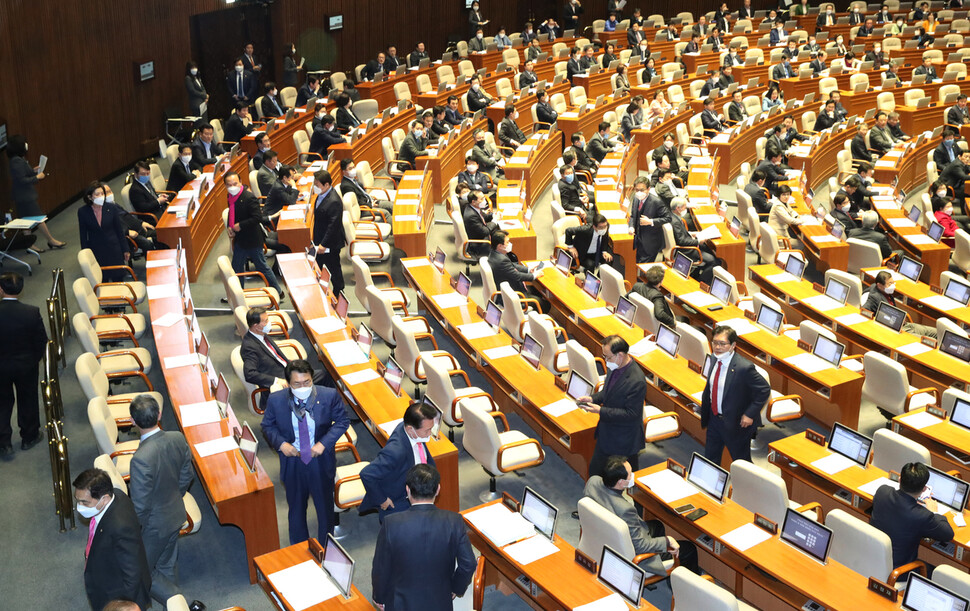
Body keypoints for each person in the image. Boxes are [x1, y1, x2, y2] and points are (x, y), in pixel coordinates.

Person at [261, 360, 349, 545]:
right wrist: (282, 444)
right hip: (293, 461)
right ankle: (299, 550)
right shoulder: (276, 400)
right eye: (297, 384)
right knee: (296, 509)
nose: (303, 387)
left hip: (320, 461)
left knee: (325, 509)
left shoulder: (328, 395)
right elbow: (267, 426)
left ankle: (326, 547)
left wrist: (323, 444)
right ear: (288, 384)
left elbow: (342, 421)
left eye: (307, 382)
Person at [372, 465, 476, 611]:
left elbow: (381, 568)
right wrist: (455, 588)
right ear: (438, 489)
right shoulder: (454, 521)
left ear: (407, 489)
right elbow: (469, 564)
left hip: (400, 603)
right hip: (440, 601)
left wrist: (379, 597)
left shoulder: (391, 523)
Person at [127, 395, 195, 605]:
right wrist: (174, 495)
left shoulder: (140, 459)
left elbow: (140, 505)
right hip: (175, 514)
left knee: (142, 571)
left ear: (132, 421)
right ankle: (175, 606)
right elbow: (186, 476)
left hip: (153, 527)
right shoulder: (177, 438)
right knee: (166, 564)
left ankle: (178, 601)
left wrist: (133, 531)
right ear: (159, 414)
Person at [584, 456, 700, 575]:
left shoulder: (593, 481)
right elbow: (640, 547)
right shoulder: (625, 510)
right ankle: (683, 583)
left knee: (657, 525)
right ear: (621, 482)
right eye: (630, 474)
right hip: (631, 553)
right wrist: (667, 541)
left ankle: (662, 566)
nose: (633, 475)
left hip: (602, 536)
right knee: (689, 549)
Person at [74, 468, 151, 611]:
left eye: (85, 502)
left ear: (104, 499)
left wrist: (116, 607)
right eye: (78, 501)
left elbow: (132, 575)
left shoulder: (119, 528)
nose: (79, 507)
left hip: (115, 595)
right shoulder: (118, 495)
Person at [577, 335, 647, 477]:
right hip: (607, 432)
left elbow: (631, 414)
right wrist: (592, 398)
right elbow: (607, 393)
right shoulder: (613, 366)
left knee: (624, 479)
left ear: (620, 355)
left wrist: (601, 410)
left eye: (607, 357)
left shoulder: (636, 380)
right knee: (595, 472)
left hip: (623, 439)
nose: (605, 361)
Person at [701, 325, 770, 463]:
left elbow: (764, 389)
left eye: (722, 344)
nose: (717, 347)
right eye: (715, 343)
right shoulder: (714, 359)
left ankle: (749, 485)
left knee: (741, 462)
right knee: (710, 457)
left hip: (735, 422)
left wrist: (750, 414)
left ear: (733, 345)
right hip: (714, 419)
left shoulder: (744, 368)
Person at [360, 401, 440, 522]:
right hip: (399, 500)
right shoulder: (395, 452)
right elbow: (366, 474)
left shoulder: (412, 431)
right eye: (427, 430)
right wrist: (382, 499)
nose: (430, 434)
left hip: (414, 486)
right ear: (410, 429)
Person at [243, 306, 332, 410]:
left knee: (322, 374)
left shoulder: (261, 334)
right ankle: (329, 410)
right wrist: (277, 381)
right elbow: (249, 374)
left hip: (288, 371)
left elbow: (275, 355)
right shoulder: (249, 346)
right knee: (321, 378)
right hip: (282, 384)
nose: (269, 322)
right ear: (256, 326)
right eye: (265, 320)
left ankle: (328, 406)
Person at [870, 462, 955, 570]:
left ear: (900, 480)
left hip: (872, 557)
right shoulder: (922, 515)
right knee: (938, 573)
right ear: (924, 489)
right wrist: (934, 512)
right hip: (898, 570)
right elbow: (948, 534)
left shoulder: (882, 491)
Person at [0, 273, 45, 457]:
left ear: (1, 290)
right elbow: (41, 341)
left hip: (1, 367)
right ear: (21, 289)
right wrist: (33, 360)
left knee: (2, 403)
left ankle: (4, 443)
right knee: (28, 399)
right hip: (26, 365)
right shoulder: (32, 312)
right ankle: (29, 436)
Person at [224, 172, 285, 298]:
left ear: (240, 182)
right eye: (229, 185)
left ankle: (278, 291)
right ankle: (238, 295)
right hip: (241, 239)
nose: (232, 186)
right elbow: (232, 214)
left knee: (262, 266)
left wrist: (240, 225)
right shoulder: (230, 196)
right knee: (237, 267)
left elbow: (257, 218)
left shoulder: (248, 197)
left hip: (252, 239)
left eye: (235, 183)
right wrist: (231, 227)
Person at [5, 136, 66, 249]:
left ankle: (29, 244)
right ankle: (50, 240)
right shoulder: (16, 161)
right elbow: (22, 180)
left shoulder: (17, 159)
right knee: (39, 218)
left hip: (22, 196)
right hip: (24, 197)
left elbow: (22, 174)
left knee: (26, 220)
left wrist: (33, 171)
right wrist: (37, 177)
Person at [78, 181, 129, 280]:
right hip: (97, 250)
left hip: (114, 249)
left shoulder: (111, 208)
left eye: (102, 193)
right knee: (102, 280)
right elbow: (83, 235)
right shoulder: (83, 212)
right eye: (97, 194)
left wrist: (125, 249)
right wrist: (86, 254)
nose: (101, 196)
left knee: (118, 280)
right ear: (89, 197)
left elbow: (119, 230)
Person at [488, 231, 550, 312]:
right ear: (500, 246)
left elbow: (513, 266)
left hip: (511, 286)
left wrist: (528, 269)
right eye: (507, 242)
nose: (510, 244)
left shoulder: (496, 253)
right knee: (545, 304)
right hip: (512, 294)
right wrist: (534, 275)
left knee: (538, 290)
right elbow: (517, 276)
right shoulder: (501, 260)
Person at [864, 272, 937, 338]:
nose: (892, 286)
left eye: (892, 283)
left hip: (904, 323)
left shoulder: (883, 289)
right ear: (879, 285)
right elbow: (864, 311)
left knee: (936, 332)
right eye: (889, 284)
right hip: (897, 329)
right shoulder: (874, 297)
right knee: (928, 340)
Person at [309, 170, 346, 294]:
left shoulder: (334, 201)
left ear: (326, 185)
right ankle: (322, 290)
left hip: (330, 243)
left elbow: (333, 226)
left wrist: (323, 244)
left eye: (317, 185)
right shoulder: (321, 195)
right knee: (320, 266)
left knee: (333, 267)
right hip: (320, 239)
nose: (315, 187)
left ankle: (339, 290)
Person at [671, 198, 718, 284]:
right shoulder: (675, 222)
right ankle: (700, 281)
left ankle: (696, 274)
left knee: (709, 249)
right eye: (685, 207)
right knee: (714, 261)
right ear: (678, 208)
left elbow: (679, 234)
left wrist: (690, 233)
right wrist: (698, 241)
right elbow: (681, 241)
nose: (686, 209)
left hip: (688, 243)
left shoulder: (673, 217)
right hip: (686, 250)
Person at [628, 176, 669, 263]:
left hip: (651, 242)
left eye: (642, 190)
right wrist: (631, 226)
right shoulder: (636, 198)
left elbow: (667, 218)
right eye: (637, 190)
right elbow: (633, 216)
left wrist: (651, 221)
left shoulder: (656, 202)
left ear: (648, 189)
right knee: (636, 263)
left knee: (644, 268)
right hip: (638, 239)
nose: (639, 192)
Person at [462, 190, 497, 257]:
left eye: (484, 197)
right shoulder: (471, 216)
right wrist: (494, 221)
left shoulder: (474, 207)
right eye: (482, 199)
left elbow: (485, 217)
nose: (484, 201)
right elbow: (485, 231)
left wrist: (494, 215)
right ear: (473, 202)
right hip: (479, 244)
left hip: (480, 235)